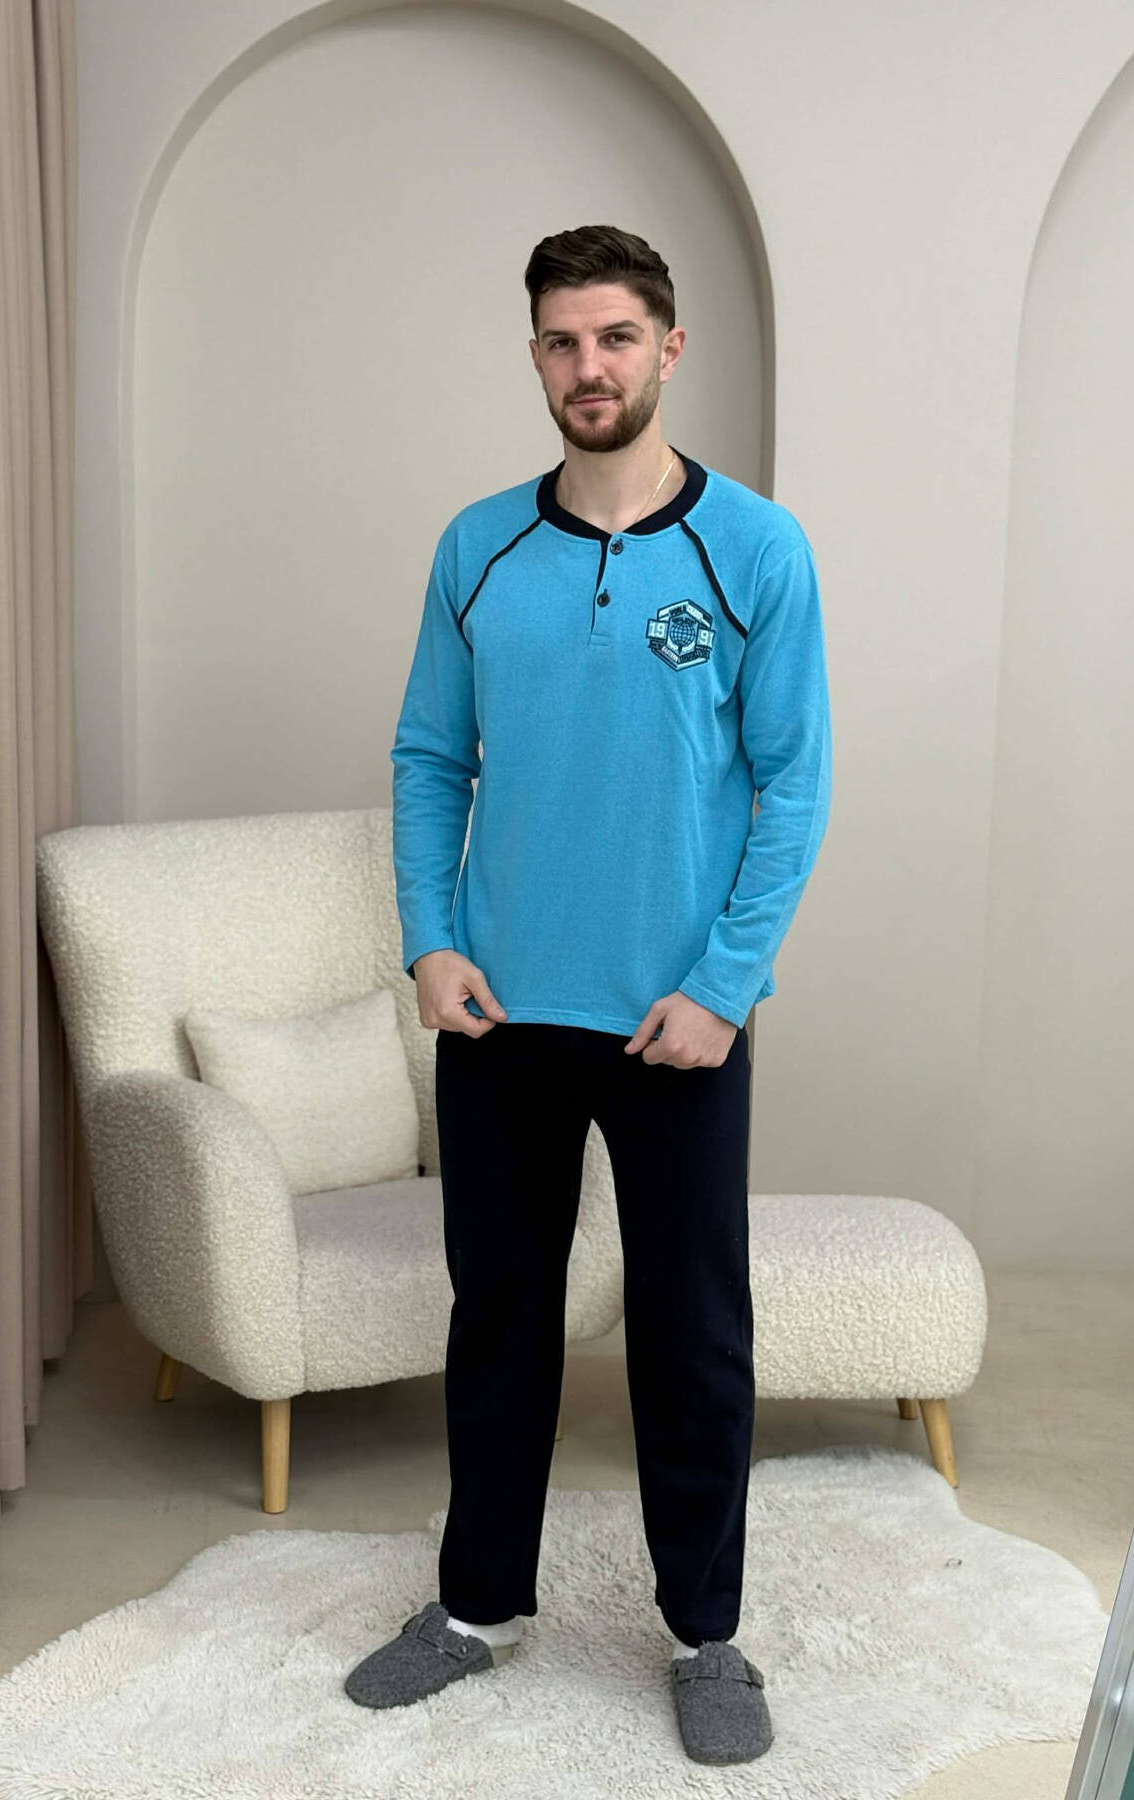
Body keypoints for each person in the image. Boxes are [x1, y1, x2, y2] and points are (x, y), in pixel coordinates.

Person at [344, 224, 832, 1766]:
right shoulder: (479, 545)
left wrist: (725, 988)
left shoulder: (756, 549)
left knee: (692, 1330)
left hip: (676, 1020)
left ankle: (706, 1636)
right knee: (499, 1316)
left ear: (669, 348)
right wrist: (431, 941)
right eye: (562, 341)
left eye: (616, 337)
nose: (589, 367)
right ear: (536, 357)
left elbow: (794, 781)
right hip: (500, 1013)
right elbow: (431, 754)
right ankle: (479, 1606)